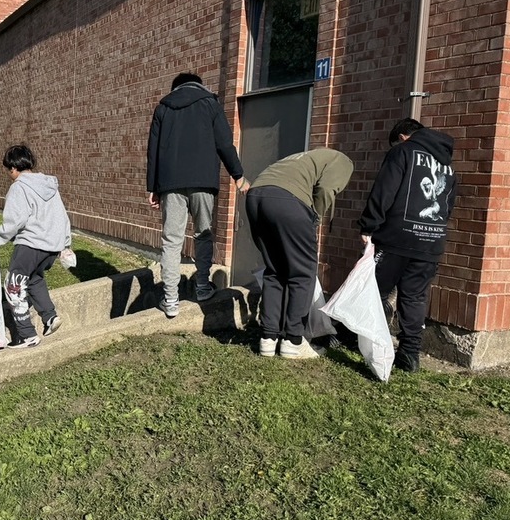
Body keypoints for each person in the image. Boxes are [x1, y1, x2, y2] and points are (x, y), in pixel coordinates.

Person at [146, 72, 249, 318]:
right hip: (203, 182)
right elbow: (225, 143)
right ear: (198, 85)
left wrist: (152, 187)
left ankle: (170, 300)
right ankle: (203, 286)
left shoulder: (163, 108)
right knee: (203, 234)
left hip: (170, 184)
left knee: (172, 241)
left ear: (175, 89)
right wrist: (239, 176)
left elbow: (153, 151)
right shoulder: (210, 104)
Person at [358, 118, 457, 373]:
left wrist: (369, 225)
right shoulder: (448, 165)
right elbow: (448, 206)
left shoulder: (401, 152)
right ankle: (410, 354)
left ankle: (376, 347)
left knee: (376, 291)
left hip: (396, 239)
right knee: (414, 296)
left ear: (403, 137)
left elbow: (384, 190)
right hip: (431, 241)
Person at [246, 149, 354, 358]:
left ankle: (268, 339)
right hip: (286, 200)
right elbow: (325, 190)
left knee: (275, 270)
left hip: (256, 196)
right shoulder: (343, 161)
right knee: (303, 273)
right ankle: (293, 341)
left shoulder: (304, 157)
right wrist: (314, 219)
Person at [0, 144, 72, 348]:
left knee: (13, 287)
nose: (9, 174)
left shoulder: (19, 187)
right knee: (34, 279)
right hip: (51, 247)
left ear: (13, 168)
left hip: (30, 245)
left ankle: (27, 335)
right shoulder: (49, 185)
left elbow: (14, 221)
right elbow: (62, 216)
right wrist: (65, 243)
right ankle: (50, 317)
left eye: (8, 170)